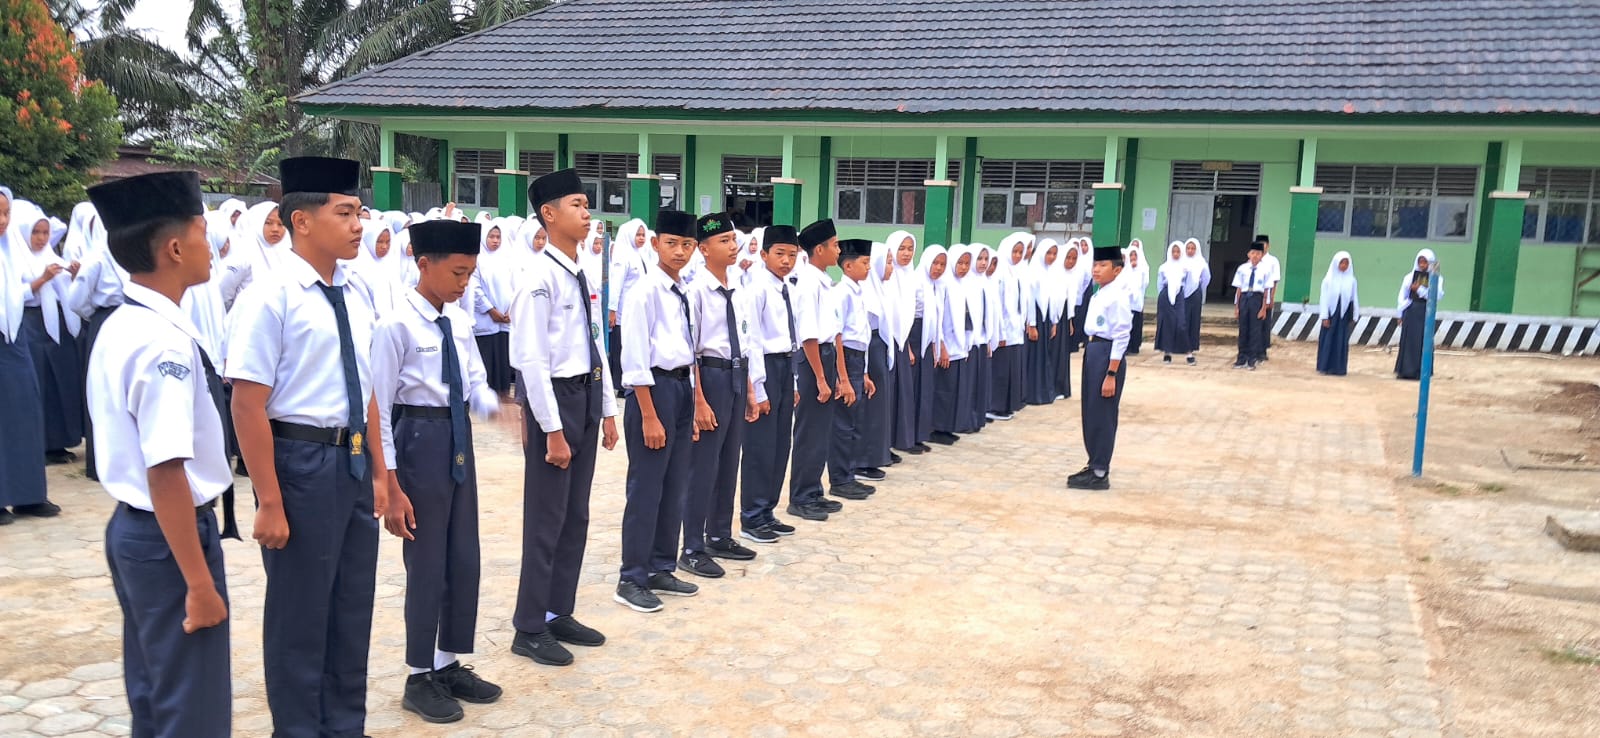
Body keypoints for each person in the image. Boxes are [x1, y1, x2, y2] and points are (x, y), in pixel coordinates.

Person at [225, 157, 388, 738]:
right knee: (300, 613)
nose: (357, 225)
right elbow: (247, 402)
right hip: (300, 462)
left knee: (350, 608)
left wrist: (381, 475)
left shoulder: (356, 291)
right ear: (301, 220)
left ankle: (345, 725)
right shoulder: (271, 295)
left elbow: (366, 387)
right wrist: (268, 498)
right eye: (343, 213)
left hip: (350, 458)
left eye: (359, 213)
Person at [83, 171, 233, 737]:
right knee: (190, 708)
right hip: (169, 537)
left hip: (138, 532)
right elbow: (166, 469)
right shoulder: (162, 341)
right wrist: (197, 583)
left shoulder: (125, 323)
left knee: (156, 694)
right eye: (201, 231)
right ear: (174, 248)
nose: (210, 244)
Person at [371, 220, 506, 723]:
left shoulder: (460, 321)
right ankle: (417, 674)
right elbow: (380, 409)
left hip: (456, 442)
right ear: (422, 262)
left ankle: (447, 661)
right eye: (456, 272)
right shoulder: (395, 326)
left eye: (470, 274)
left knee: (462, 556)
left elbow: (475, 384)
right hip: (418, 441)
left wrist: (502, 410)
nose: (462, 284)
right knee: (425, 561)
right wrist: (389, 481)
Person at [508, 168, 620, 665]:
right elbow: (531, 359)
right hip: (554, 402)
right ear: (548, 214)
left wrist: (609, 408)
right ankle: (529, 626)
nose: (586, 211)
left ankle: (559, 611)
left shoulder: (579, 269)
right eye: (576, 204)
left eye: (586, 203)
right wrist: (551, 430)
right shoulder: (537, 278)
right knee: (546, 518)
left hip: (585, 397)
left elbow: (595, 344)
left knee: (575, 515)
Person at [615, 209, 699, 612]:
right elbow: (634, 358)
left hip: (681, 388)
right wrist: (648, 414)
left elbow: (690, 348)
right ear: (655, 244)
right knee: (647, 487)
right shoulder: (644, 291)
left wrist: (696, 399)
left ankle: (662, 566)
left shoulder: (683, 289)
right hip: (654, 392)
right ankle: (632, 576)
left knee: (674, 484)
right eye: (671, 243)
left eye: (687, 245)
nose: (680, 252)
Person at [680, 213, 763, 578]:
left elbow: (743, 342)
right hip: (709, 378)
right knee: (703, 466)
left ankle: (719, 534)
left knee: (730, 461)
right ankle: (692, 546)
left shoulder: (738, 288)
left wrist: (748, 389)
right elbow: (692, 350)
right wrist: (698, 399)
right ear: (703, 248)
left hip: (735, 375)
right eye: (724, 241)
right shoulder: (696, 290)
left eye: (734, 239)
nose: (733, 246)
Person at [736, 226, 801, 544]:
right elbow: (753, 340)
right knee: (760, 446)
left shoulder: (785, 287)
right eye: (780, 254)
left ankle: (767, 511)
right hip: (766, 370)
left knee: (779, 445)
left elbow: (794, 335)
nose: (787, 260)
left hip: (785, 367)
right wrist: (758, 389)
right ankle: (751, 516)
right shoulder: (757, 288)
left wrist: (796, 379)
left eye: (792, 254)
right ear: (763, 255)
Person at [13, 199, 84, 464]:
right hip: (30, 325)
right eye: (35, 232)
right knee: (38, 385)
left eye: (44, 232)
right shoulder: (14, 260)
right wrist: (41, 280)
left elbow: (67, 293)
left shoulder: (51, 257)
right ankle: (39, 444)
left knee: (60, 383)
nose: (42, 238)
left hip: (57, 328)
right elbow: (12, 296)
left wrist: (74, 275)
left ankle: (58, 442)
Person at [788, 219, 849, 522]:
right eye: (835, 245)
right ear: (819, 249)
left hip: (825, 359)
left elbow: (834, 332)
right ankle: (800, 497)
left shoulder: (825, 282)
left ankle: (814, 491)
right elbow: (808, 335)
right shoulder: (808, 284)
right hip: (812, 361)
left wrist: (836, 375)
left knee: (821, 432)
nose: (839, 250)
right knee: (808, 431)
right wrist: (822, 379)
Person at [0, 187, 51, 524]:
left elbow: (14, 292)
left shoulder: (7, 251)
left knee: (24, 410)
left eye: (6, 214)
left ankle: (29, 494)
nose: (3, 222)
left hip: (12, 336)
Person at [64, 201, 125, 482]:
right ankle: (99, 463)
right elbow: (75, 300)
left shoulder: (129, 255)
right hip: (105, 320)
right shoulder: (97, 257)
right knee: (102, 389)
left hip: (128, 318)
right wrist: (96, 315)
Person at [1068, 246, 1132, 491]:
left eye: (1103, 265)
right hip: (1093, 351)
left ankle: (1100, 471)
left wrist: (1111, 374)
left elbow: (1122, 335)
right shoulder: (1100, 293)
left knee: (1103, 414)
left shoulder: (1118, 296)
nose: (1096, 269)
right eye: (1095, 265)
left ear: (1117, 270)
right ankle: (1093, 461)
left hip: (1106, 355)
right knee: (1091, 412)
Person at [828, 238, 878, 501]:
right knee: (843, 424)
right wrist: (843, 378)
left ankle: (849, 474)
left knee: (854, 422)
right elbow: (838, 336)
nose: (869, 268)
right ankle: (839, 479)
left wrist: (866, 373)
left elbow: (863, 337)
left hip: (858, 360)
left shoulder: (858, 291)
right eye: (865, 263)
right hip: (845, 360)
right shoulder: (842, 293)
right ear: (848, 266)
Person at [888, 232, 934, 455]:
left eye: (909, 248)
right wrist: (904, 346)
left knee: (906, 393)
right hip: (893, 342)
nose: (906, 254)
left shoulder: (911, 276)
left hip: (905, 340)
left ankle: (904, 439)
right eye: (901, 248)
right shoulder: (887, 276)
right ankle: (890, 443)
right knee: (894, 395)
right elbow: (891, 315)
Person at [461, 219, 515, 396]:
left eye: (498, 237)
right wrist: (491, 310)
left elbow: (515, 285)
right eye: (491, 236)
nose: (495, 240)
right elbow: (474, 288)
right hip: (485, 318)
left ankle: (502, 393)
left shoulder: (506, 258)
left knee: (502, 357)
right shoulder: (477, 259)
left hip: (505, 319)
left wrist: (510, 310)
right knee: (487, 358)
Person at [930, 245, 975, 444]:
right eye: (960, 263)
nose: (964, 267)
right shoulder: (944, 284)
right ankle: (937, 428)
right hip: (946, 345)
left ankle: (948, 426)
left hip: (959, 345)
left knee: (955, 389)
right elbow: (938, 318)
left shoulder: (961, 284)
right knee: (943, 390)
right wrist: (941, 346)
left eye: (967, 263)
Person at [607, 217, 653, 398]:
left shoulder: (641, 255)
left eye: (643, 235)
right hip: (623, 310)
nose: (641, 238)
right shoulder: (622, 256)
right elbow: (616, 285)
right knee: (621, 346)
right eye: (638, 235)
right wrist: (612, 310)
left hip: (638, 310)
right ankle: (620, 384)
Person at [989, 235, 1029, 419]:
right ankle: (995, 406)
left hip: (1016, 329)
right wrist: (1001, 332)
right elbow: (998, 305)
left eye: (1020, 252)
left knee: (1011, 369)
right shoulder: (1000, 272)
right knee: (1000, 371)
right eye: (1014, 251)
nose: (1018, 255)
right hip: (1003, 330)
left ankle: (1008, 404)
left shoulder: (1018, 271)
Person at [1023, 238, 1063, 406]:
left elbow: (1053, 299)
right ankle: (1033, 393)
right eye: (1049, 253)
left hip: (1046, 319)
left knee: (1044, 356)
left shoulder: (1051, 272)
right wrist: (1031, 324)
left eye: (1055, 253)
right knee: (1035, 357)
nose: (1052, 257)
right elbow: (1030, 300)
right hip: (1036, 318)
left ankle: (1044, 391)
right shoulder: (1033, 272)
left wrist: (1054, 322)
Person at [1395, 249, 1441, 381]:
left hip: (1426, 313)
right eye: (1420, 262)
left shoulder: (1436, 278)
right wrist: (1400, 314)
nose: (1422, 265)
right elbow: (1402, 296)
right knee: (1408, 341)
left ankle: (1421, 372)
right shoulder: (1409, 277)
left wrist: (1419, 290)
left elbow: (1436, 295)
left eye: (1425, 262)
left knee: (1423, 341)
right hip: (1411, 311)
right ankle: (1405, 371)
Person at [1317, 251, 1359, 376]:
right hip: (1331, 314)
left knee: (1341, 340)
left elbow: (1354, 298)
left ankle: (1338, 368)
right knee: (1328, 338)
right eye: (1342, 263)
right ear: (1336, 263)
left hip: (1343, 314)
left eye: (1346, 263)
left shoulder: (1352, 280)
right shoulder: (1328, 280)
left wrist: (1355, 315)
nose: (1344, 265)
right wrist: (1324, 316)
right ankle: (1325, 366)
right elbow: (1323, 298)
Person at [1153, 241, 1194, 364]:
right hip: (1165, 297)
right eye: (1173, 251)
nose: (1176, 254)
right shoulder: (1163, 267)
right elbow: (1160, 284)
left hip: (1179, 296)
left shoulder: (1186, 267)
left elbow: (1189, 284)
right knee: (1167, 324)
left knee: (1181, 324)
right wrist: (1164, 295)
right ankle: (1167, 353)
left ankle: (1188, 353)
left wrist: (1181, 295)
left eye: (1178, 251)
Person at [1232, 241, 1270, 370]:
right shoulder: (1242, 269)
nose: (1255, 256)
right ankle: (1241, 358)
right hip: (1244, 298)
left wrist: (1264, 308)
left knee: (1255, 330)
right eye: (1253, 253)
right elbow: (1238, 289)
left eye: (1258, 253)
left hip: (1257, 299)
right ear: (1249, 254)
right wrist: (1237, 306)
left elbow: (1266, 291)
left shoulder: (1265, 270)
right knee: (1243, 329)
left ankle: (1252, 359)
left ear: (1261, 255)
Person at [1181, 238, 1210, 354]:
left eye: (1193, 248)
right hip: (1182, 293)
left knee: (1194, 319)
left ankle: (1191, 345)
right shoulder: (1181, 261)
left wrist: (1197, 288)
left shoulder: (1201, 262)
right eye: (1188, 248)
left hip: (1195, 294)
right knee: (1182, 319)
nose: (1190, 251)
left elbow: (1206, 278)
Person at [1122, 239, 1150, 355]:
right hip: (1127, 301)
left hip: (1137, 300)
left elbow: (1144, 284)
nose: (1133, 256)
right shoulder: (1125, 268)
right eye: (1131, 255)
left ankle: (1135, 346)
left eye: (1135, 255)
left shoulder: (1142, 268)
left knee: (1136, 324)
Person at [1256, 234, 1280, 360]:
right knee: (1255, 324)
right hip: (1255, 296)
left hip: (1268, 296)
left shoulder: (1273, 261)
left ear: (1268, 245)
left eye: (1264, 244)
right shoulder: (1253, 259)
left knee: (1265, 325)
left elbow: (1275, 281)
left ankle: (1262, 351)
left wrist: (1272, 297)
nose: (1262, 246)